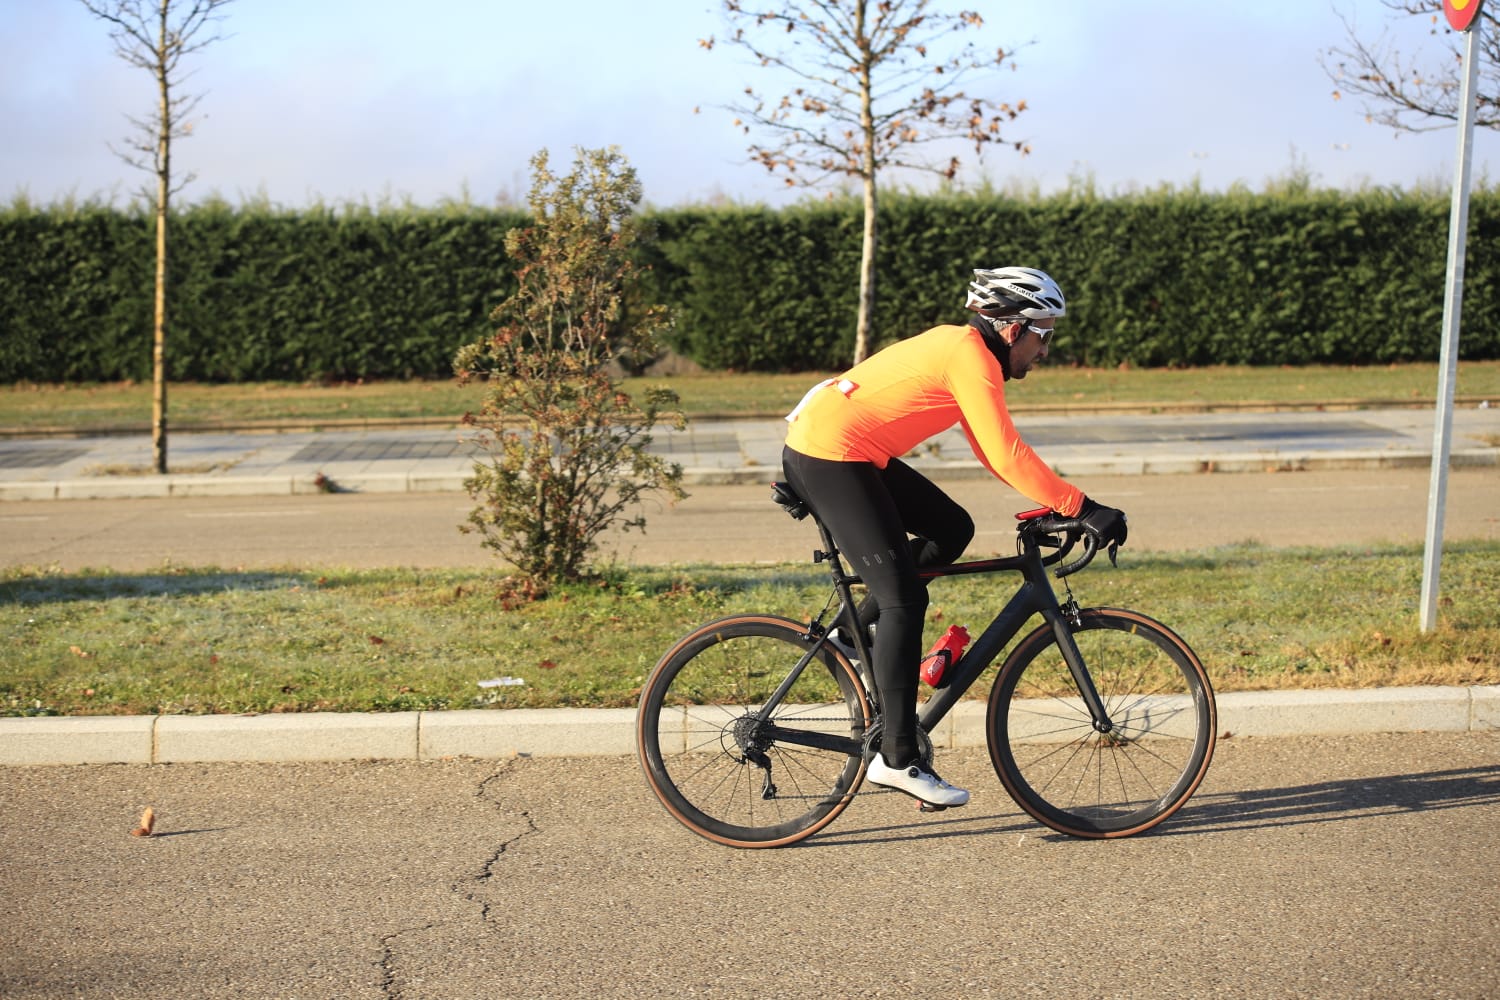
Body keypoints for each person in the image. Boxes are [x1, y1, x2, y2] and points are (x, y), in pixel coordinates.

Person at [781, 266, 1128, 808]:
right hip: (830, 455)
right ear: (1014, 328)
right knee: (905, 600)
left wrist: (1067, 504)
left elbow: (993, 451)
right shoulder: (970, 357)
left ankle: (852, 633)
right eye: (1045, 335)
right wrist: (1082, 506)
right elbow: (1008, 452)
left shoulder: (969, 354)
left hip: (847, 449)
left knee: (952, 528)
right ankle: (897, 759)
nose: (1045, 350)